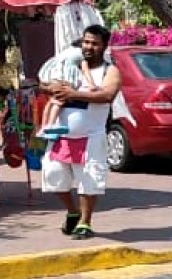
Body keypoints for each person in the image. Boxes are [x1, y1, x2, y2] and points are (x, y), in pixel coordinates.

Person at [40, 25, 121, 239]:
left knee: (89, 180)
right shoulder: (71, 64)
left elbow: (107, 95)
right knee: (53, 175)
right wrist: (50, 88)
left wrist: (74, 94)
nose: (89, 47)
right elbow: (47, 82)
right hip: (61, 136)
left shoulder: (109, 70)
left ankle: (85, 222)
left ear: (104, 46)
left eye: (94, 43)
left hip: (90, 137)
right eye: (86, 42)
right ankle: (72, 211)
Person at [36, 40, 98, 139]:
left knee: (51, 102)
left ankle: (43, 128)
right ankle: (50, 128)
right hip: (63, 77)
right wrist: (92, 84)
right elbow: (85, 70)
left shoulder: (67, 51)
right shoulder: (81, 54)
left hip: (51, 74)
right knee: (58, 101)